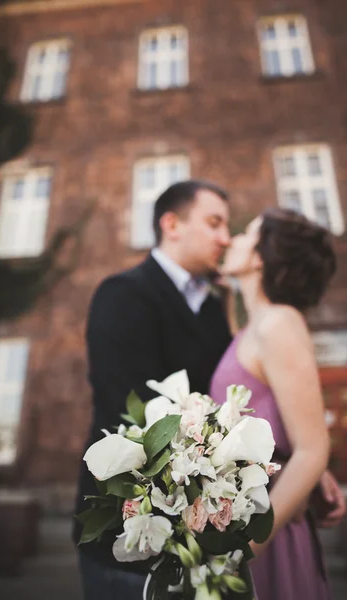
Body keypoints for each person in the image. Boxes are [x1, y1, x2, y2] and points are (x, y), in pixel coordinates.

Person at [73, 180, 232, 600]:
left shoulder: (214, 307)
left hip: (203, 534)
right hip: (127, 530)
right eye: (215, 223)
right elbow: (127, 409)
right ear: (172, 224)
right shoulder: (123, 294)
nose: (226, 237)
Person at [210, 208, 339, 600]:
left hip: (266, 534)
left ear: (261, 256)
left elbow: (313, 449)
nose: (230, 239)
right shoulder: (254, 327)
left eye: (246, 233)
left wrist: (243, 550)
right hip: (242, 516)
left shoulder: (280, 323)